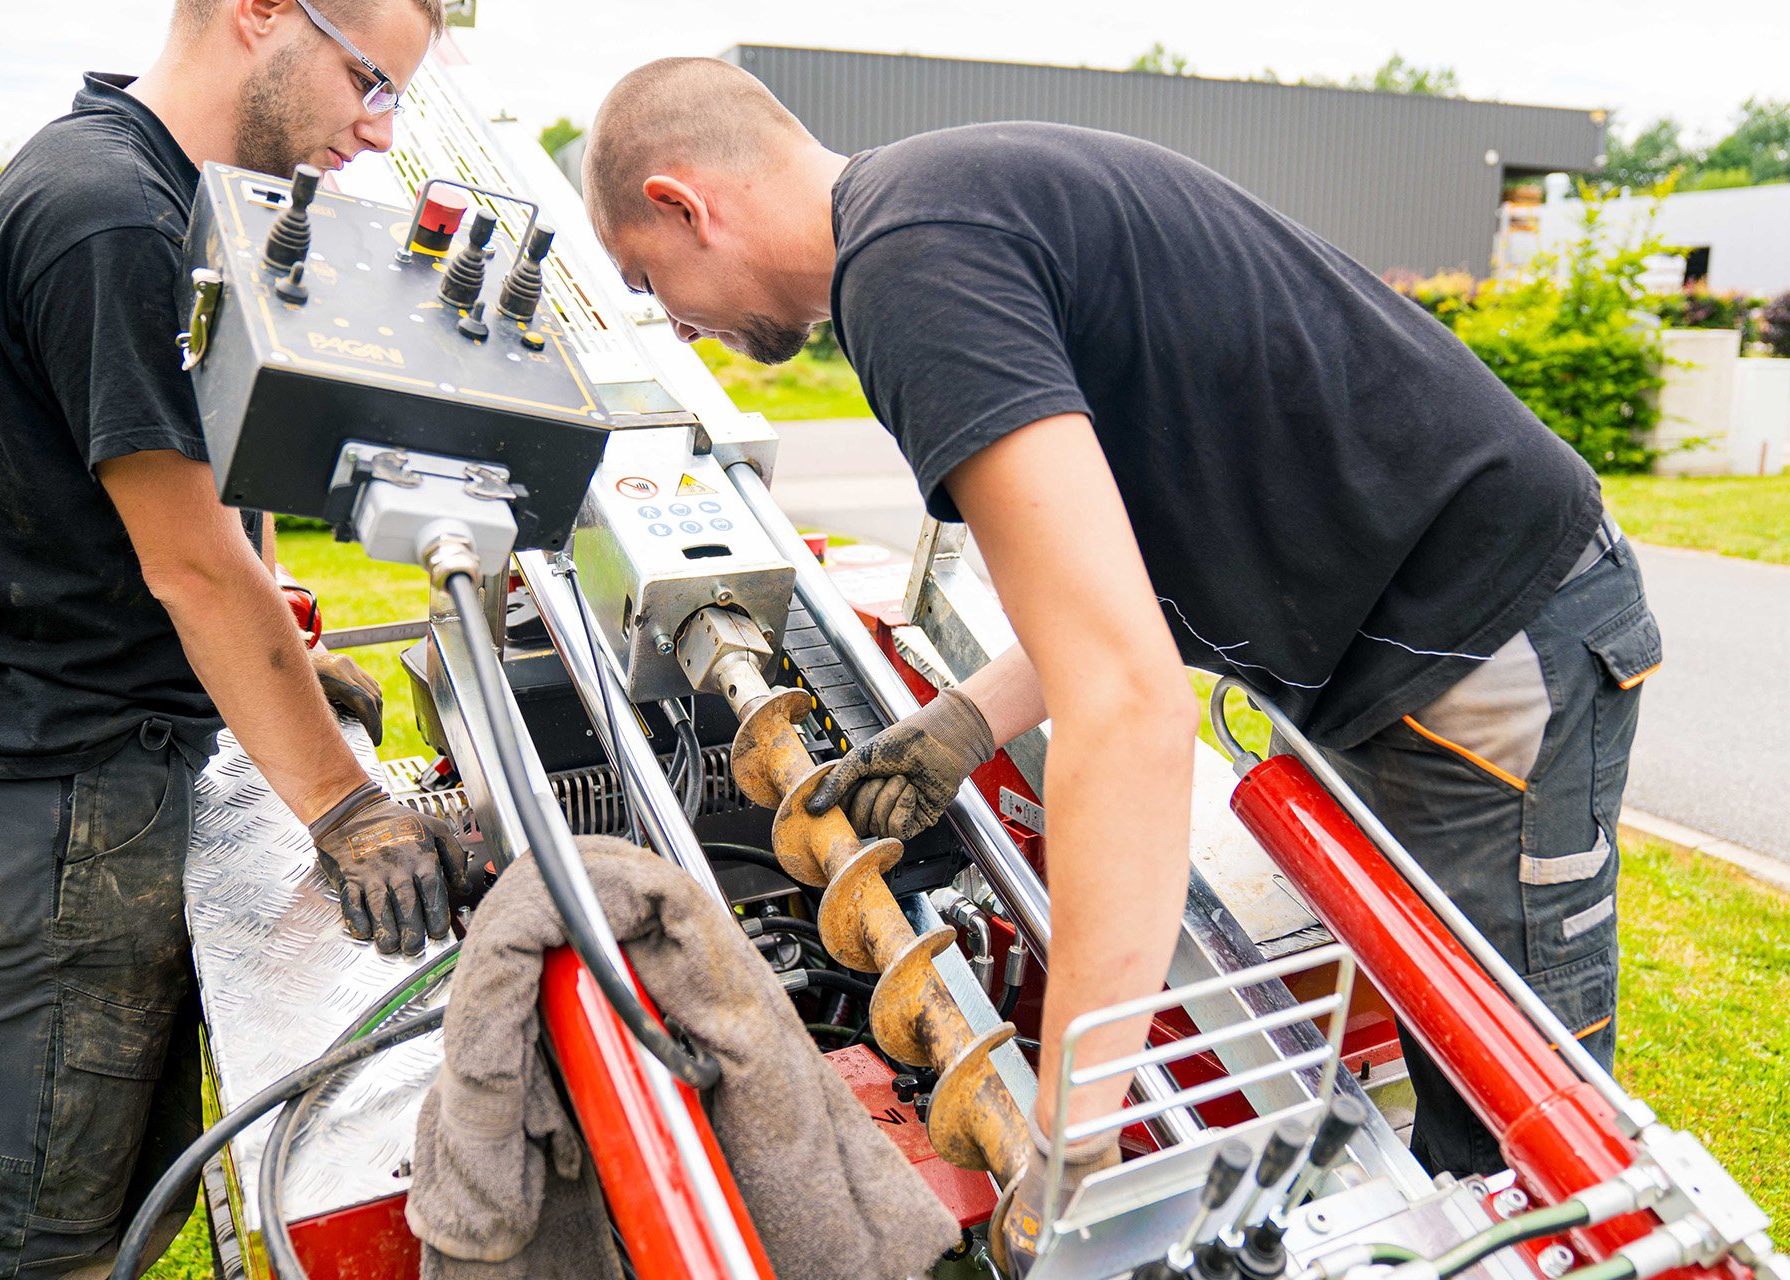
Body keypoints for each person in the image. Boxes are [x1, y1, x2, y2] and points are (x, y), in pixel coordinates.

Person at [578, 57, 1659, 1271]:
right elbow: (1120, 570)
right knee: (1442, 1026)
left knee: (1518, 1124)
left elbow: (1130, 705)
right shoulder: (937, 214)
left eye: (646, 279)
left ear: (683, 204)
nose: (674, 322)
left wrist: (1074, 1132)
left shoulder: (911, 270)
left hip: (1493, 638)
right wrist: (966, 721)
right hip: (1406, 637)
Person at [0, 1, 468, 1274]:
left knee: (115, 1213)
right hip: (43, 799)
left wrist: (283, 636)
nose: (379, 129)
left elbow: (212, 470)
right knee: (27, 1251)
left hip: (81, 767)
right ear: (261, 12)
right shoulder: (112, 220)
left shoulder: (176, 195)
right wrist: (349, 806)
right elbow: (189, 563)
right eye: (369, 80)